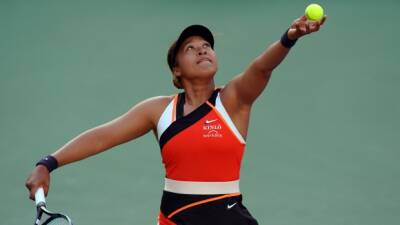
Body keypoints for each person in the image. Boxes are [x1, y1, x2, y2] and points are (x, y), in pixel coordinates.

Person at [26, 15, 326, 225]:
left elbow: (261, 69)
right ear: (176, 71)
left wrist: (289, 38)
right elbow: (104, 136)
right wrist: (48, 163)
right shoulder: (158, 111)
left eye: (207, 46)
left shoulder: (233, 100)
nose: (202, 49)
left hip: (230, 218)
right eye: (190, 48)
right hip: (173, 220)